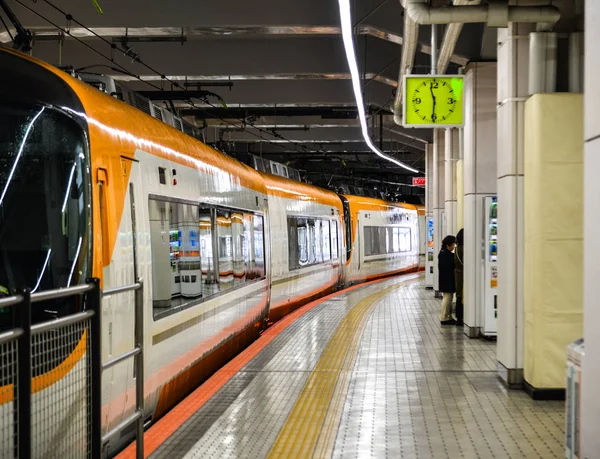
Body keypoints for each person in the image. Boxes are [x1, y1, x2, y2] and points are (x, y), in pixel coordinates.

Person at [438, 235, 456, 325]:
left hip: (446, 280)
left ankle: (448, 316)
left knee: (449, 298)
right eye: (452, 245)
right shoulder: (446, 254)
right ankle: (444, 317)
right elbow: (450, 266)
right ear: (447, 245)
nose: (454, 247)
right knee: (447, 298)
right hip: (447, 280)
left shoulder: (444, 253)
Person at [454, 229, 464, 326]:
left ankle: (459, 318)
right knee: (462, 296)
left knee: (459, 296)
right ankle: (461, 317)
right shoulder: (465, 249)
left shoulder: (456, 248)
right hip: (464, 274)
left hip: (457, 274)